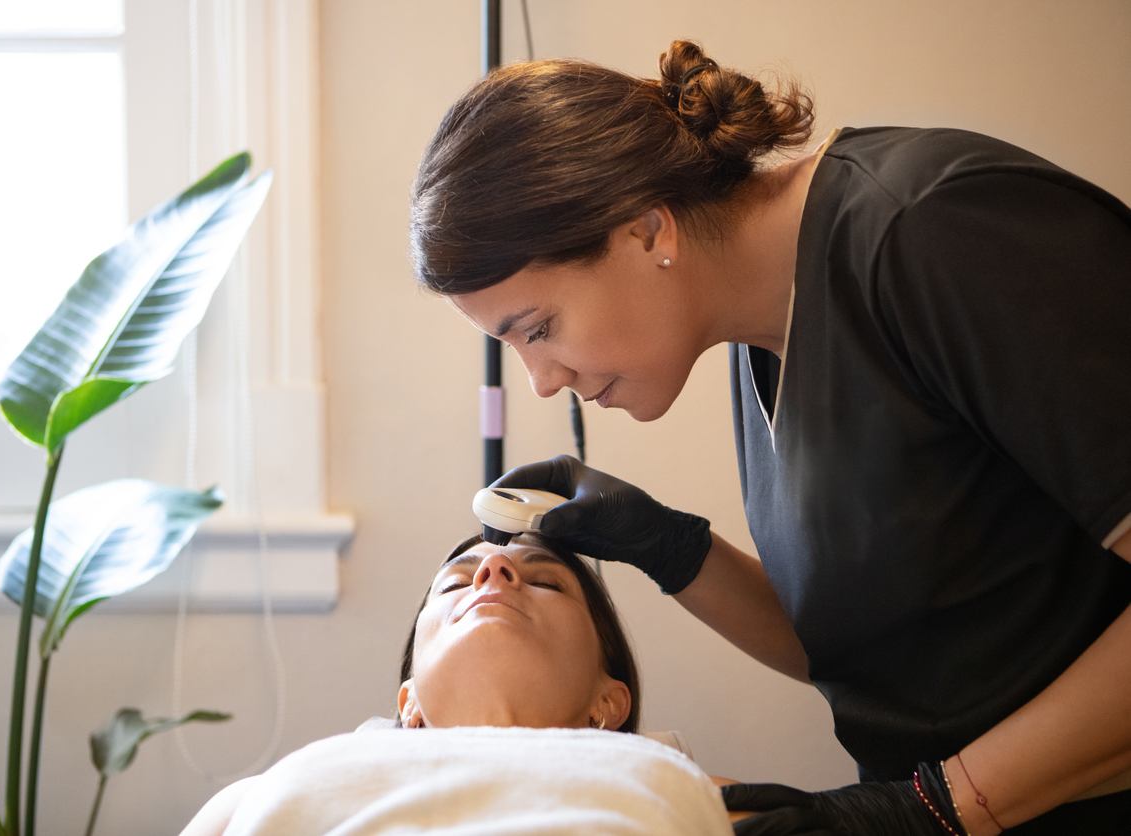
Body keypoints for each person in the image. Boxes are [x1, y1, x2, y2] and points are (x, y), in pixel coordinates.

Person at [409, 39, 1131, 836]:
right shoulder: (759, 331)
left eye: (539, 328)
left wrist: (937, 809)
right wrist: (671, 548)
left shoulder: (932, 233)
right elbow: (873, 647)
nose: (543, 380)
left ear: (647, 230)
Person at [178, 533, 739, 836]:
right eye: (455, 585)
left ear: (610, 702)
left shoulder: (700, 795)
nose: (493, 572)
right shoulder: (258, 796)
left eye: (544, 579)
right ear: (409, 702)